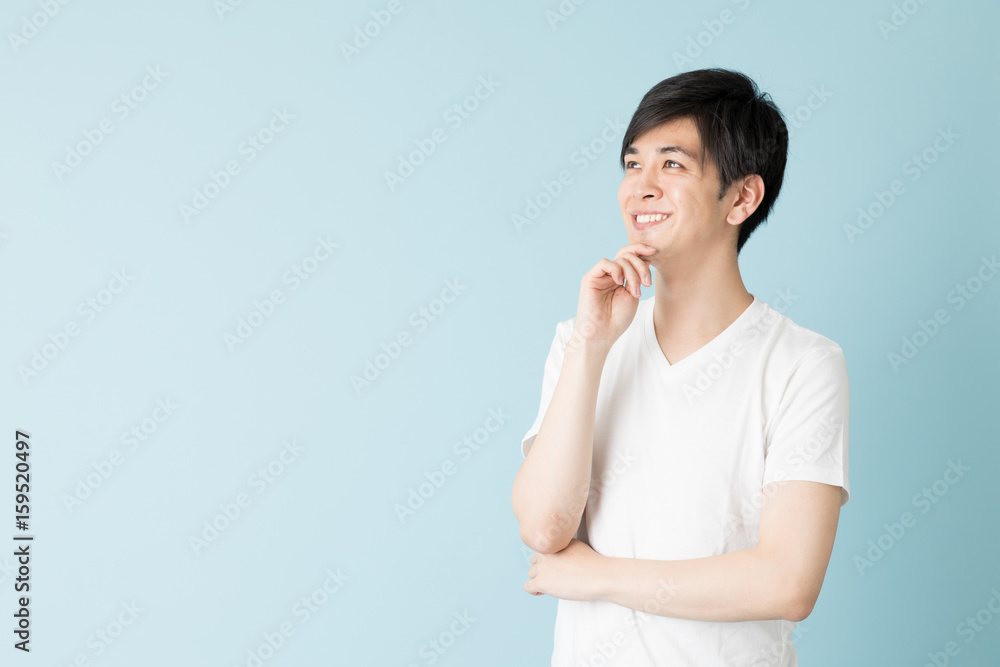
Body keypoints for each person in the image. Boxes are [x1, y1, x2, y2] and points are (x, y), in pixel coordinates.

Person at [511, 68, 850, 666]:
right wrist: (592, 346)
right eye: (631, 162)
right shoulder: (581, 341)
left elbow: (787, 583)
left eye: (672, 165)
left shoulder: (802, 364)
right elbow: (544, 531)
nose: (640, 187)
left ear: (742, 197)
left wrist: (597, 576)